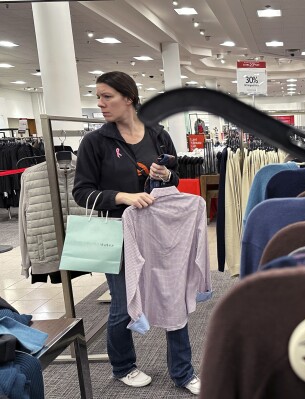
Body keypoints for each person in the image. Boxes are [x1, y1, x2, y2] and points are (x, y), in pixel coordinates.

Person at [72, 71, 200, 394]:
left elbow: (176, 179)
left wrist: (166, 172)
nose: (100, 103)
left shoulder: (158, 136)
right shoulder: (94, 143)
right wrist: (121, 197)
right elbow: (81, 192)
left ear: (128, 98)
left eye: (107, 96)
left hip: (157, 229)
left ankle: (183, 372)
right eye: (98, 96)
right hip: (116, 231)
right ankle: (123, 366)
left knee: (171, 295)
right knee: (122, 304)